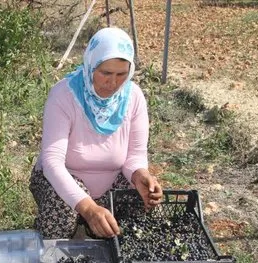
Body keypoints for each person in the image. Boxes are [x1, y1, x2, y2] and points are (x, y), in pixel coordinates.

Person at [30, 27, 162, 239]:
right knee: (60, 212)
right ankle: (67, 231)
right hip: (64, 178)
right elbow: (52, 163)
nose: (113, 83)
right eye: (105, 73)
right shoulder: (64, 95)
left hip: (112, 180)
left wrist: (140, 175)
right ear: (91, 65)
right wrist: (89, 209)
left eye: (121, 74)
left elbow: (135, 156)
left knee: (145, 206)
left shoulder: (133, 97)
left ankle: (102, 236)